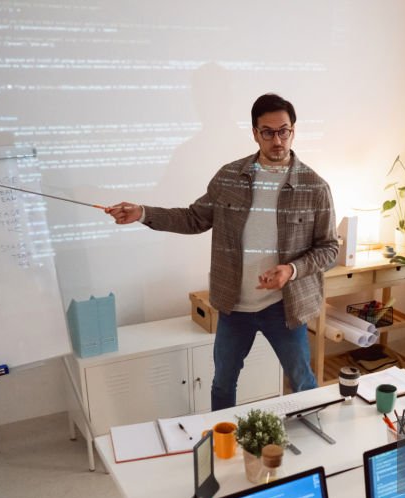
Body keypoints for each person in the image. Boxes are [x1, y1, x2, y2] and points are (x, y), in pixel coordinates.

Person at [105, 93, 338, 409]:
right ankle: (221, 450)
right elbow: (194, 218)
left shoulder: (315, 187)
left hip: (285, 306)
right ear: (255, 133)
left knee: (302, 382)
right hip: (234, 306)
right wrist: (143, 213)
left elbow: (328, 248)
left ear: (293, 130)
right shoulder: (230, 177)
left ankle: (315, 441)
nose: (277, 140)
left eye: (284, 130)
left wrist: (291, 270)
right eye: (268, 132)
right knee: (223, 383)